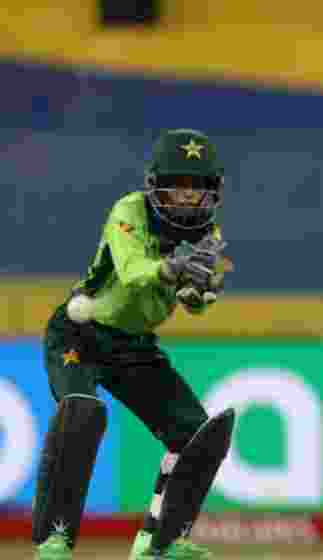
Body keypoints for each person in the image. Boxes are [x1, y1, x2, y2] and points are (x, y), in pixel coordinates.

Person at [32, 129, 235, 560]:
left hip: (135, 348)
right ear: (155, 186)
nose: (185, 200)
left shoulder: (208, 235)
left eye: (195, 190)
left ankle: (159, 540)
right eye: (176, 188)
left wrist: (200, 289)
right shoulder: (129, 209)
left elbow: (194, 304)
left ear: (212, 192)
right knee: (81, 414)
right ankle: (54, 539)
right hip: (78, 335)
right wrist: (172, 267)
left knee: (196, 435)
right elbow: (130, 270)